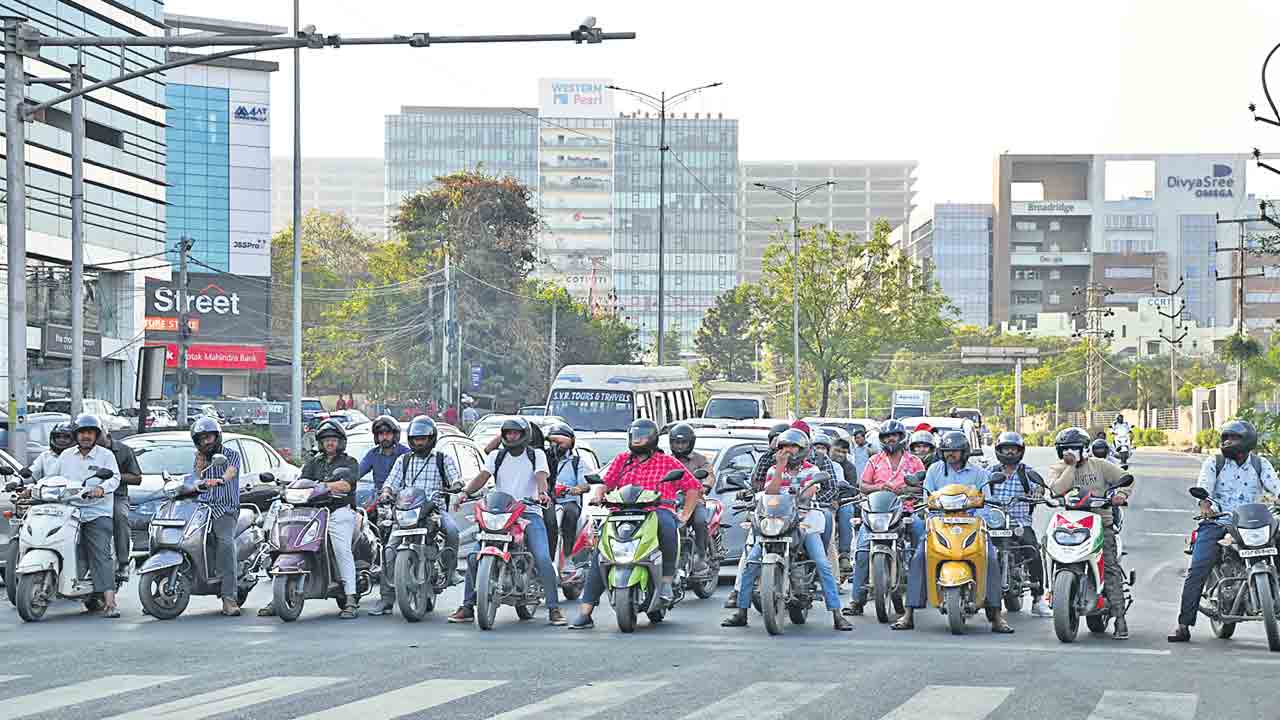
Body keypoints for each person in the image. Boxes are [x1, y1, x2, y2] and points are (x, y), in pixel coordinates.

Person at [567, 418, 702, 630]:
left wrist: (685, 515)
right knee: (601, 553)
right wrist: (599, 495)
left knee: (668, 525)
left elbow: (693, 487)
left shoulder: (667, 462)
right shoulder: (622, 460)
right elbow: (606, 482)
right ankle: (585, 611)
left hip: (656, 511)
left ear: (653, 438)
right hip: (621, 513)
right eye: (635, 435)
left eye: (643, 436)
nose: (638, 440)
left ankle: (666, 580)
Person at [722, 429, 853, 631]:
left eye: (792, 447)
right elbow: (770, 493)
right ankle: (741, 611)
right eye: (783, 447)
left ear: (802, 450)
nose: (788, 451)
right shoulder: (774, 470)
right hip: (777, 520)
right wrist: (781, 468)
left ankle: (837, 614)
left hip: (804, 521)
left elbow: (807, 494)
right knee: (751, 563)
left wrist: (799, 491)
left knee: (822, 563)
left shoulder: (811, 470)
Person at [1169, 419, 1280, 643]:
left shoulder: (1260, 464)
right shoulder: (1215, 462)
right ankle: (1183, 624)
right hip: (1219, 521)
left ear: (1247, 441)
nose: (1227, 442)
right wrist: (1205, 505)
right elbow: (1204, 489)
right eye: (1225, 438)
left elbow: (1276, 488)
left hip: (1254, 522)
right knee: (1198, 568)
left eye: (1233, 438)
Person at [894, 431, 1013, 633]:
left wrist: (979, 516)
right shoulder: (934, 470)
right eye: (947, 451)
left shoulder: (979, 474)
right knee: (919, 557)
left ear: (964, 452)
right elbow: (928, 500)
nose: (951, 455)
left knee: (991, 558)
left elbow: (986, 503)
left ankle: (995, 616)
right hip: (940, 523)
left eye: (955, 451)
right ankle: (908, 613)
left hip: (972, 524)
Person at [451, 417, 565, 626]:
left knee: (541, 557)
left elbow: (541, 476)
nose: (511, 437)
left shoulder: (535, 455)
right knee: (473, 556)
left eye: (516, 433)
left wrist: (542, 493)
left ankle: (553, 608)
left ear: (524, 436)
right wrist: (465, 493)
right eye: (508, 433)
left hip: (529, 513)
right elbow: (483, 477)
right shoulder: (497, 455)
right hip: (500, 513)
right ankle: (467, 606)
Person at [368, 415, 462, 617]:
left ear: (431, 439)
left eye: (423, 439)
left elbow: (456, 479)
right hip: (406, 512)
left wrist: (456, 486)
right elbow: (391, 482)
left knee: (452, 531)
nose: (419, 442)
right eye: (416, 439)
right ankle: (386, 599)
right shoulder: (404, 460)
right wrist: (386, 492)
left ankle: (451, 571)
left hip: (434, 510)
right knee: (389, 549)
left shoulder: (442, 458)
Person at [266, 419, 360, 618]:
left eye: (333, 439)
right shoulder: (313, 462)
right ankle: (278, 598)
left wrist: (325, 486)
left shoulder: (349, 462)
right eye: (326, 440)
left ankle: (351, 597)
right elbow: (301, 481)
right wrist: (287, 488)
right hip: (312, 512)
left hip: (338, 511)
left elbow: (346, 485)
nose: (329, 443)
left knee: (341, 548)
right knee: (285, 540)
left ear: (340, 442)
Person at [1047, 426, 1135, 640]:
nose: (1070, 452)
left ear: (1084, 449)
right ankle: (1051, 592)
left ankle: (1120, 619)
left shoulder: (1100, 465)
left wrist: (1120, 495)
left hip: (1100, 522)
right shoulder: (1057, 469)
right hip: (1071, 524)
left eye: (1074, 449)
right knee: (1046, 545)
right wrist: (1071, 466)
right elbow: (1056, 490)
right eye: (1065, 449)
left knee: (1111, 567)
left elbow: (1127, 478)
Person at [847, 420, 925, 616]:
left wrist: (905, 489)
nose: (891, 439)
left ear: (902, 438)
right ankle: (857, 600)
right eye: (887, 436)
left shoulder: (914, 461)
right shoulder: (874, 461)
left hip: (906, 510)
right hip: (877, 514)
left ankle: (919, 592)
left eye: (895, 436)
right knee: (863, 550)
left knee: (920, 538)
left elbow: (923, 486)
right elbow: (863, 486)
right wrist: (880, 488)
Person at [723, 421, 793, 608]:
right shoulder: (766, 461)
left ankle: (834, 606)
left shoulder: (811, 465)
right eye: (778, 443)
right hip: (767, 512)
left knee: (821, 555)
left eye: (789, 444)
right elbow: (759, 487)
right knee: (749, 553)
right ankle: (739, 596)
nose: (785, 449)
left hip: (793, 515)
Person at [57, 414, 121, 617]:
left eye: (90, 433)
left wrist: (102, 488)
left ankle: (110, 602)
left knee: (100, 554)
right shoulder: (66, 455)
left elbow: (115, 478)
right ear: (76, 435)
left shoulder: (106, 456)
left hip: (96, 512)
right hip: (69, 511)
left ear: (96, 435)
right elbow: (53, 477)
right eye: (82, 432)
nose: (86, 436)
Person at [985, 431, 1050, 617]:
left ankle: (1038, 599)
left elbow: (1039, 489)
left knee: (1033, 550)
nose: (1010, 453)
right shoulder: (991, 471)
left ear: (1020, 451)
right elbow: (979, 488)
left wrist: (1037, 494)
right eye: (1006, 449)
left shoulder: (1026, 473)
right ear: (998, 450)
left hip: (1019, 523)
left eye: (1013, 449)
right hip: (995, 523)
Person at [186, 417, 244, 616]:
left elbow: (231, 472)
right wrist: (200, 466)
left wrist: (220, 480)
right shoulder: (200, 457)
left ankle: (229, 597)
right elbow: (194, 479)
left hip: (225, 508)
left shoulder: (231, 455)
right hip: (202, 508)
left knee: (225, 543)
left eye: (209, 437)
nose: (206, 442)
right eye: (201, 439)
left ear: (217, 437)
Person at [668, 422, 715, 574]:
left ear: (691, 443)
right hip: (671, 501)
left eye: (683, 442)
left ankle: (700, 555)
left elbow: (709, 474)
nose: (680, 446)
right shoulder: (666, 460)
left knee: (700, 520)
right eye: (676, 442)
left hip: (695, 500)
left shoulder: (699, 459)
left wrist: (706, 486)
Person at [546, 422, 593, 564]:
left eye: (559, 442)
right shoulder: (544, 459)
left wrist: (576, 489)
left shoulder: (577, 462)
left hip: (568, 502)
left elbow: (585, 483)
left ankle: (568, 557)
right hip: (547, 502)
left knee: (570, 513)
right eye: (552, 442)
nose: (555, 445)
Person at [99, 429, 142, 583]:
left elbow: (137, 478)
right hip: (87, 496)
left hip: (116, 495)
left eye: (97, 435)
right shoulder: (84, 451)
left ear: (107, 436)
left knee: (120, 516)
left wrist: (114, 476)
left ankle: (123, 562)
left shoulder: (124, 451)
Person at [358, 415, 411, 504]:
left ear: (394, 435)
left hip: (403, 501)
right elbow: (357, 472)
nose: (384, 437)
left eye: (388, 433)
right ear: (377, 436)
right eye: (381, 434)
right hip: (379, 499)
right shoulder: (372, 454)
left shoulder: (406, 454)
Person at [830, 437, 860, 577]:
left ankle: (844, 555)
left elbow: (852, 489)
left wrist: (839, 500)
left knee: (847, 511)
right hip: (823, 501)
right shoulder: (820, 464)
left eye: (843, 452)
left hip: (843, 501)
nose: (840, 454)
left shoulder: (849, 468)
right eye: (837, 450)